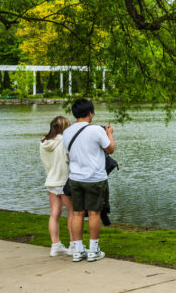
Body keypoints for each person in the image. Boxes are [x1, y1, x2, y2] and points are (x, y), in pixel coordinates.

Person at [62, 98, 115, 263]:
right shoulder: (96, 131)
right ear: (90, 113)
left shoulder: (67, 132)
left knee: (77, 213)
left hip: (75, 178)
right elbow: (110, 149)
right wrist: (109, 134)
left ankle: (77, 251)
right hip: (94, 178)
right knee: (94, 213)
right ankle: (93, 250)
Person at [39, 115, 73, 257]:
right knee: (73, 213)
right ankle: (74, 244)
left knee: (54, 214)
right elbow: (68, 159)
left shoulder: (44, 143)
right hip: (64, 181)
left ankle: (55, 245)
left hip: (51, 180)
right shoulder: (64, 141)